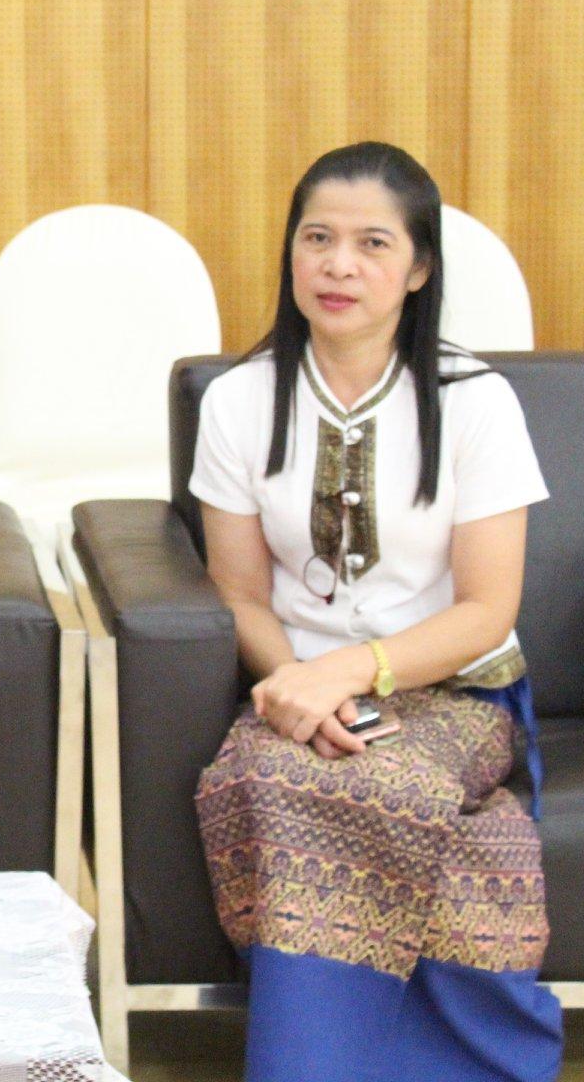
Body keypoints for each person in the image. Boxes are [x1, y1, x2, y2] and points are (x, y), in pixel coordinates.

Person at [189, 141, 562, 1081]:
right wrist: (298, 684)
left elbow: (487, 609)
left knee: (362, 786)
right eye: (317, 239)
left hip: (456, 694)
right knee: (262, 775)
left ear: (419, 267)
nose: (339, 266)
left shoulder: (476, 401)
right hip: (295, 688)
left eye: (372, 244)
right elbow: (238, 593)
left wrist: (348, 674)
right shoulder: (238, 400)